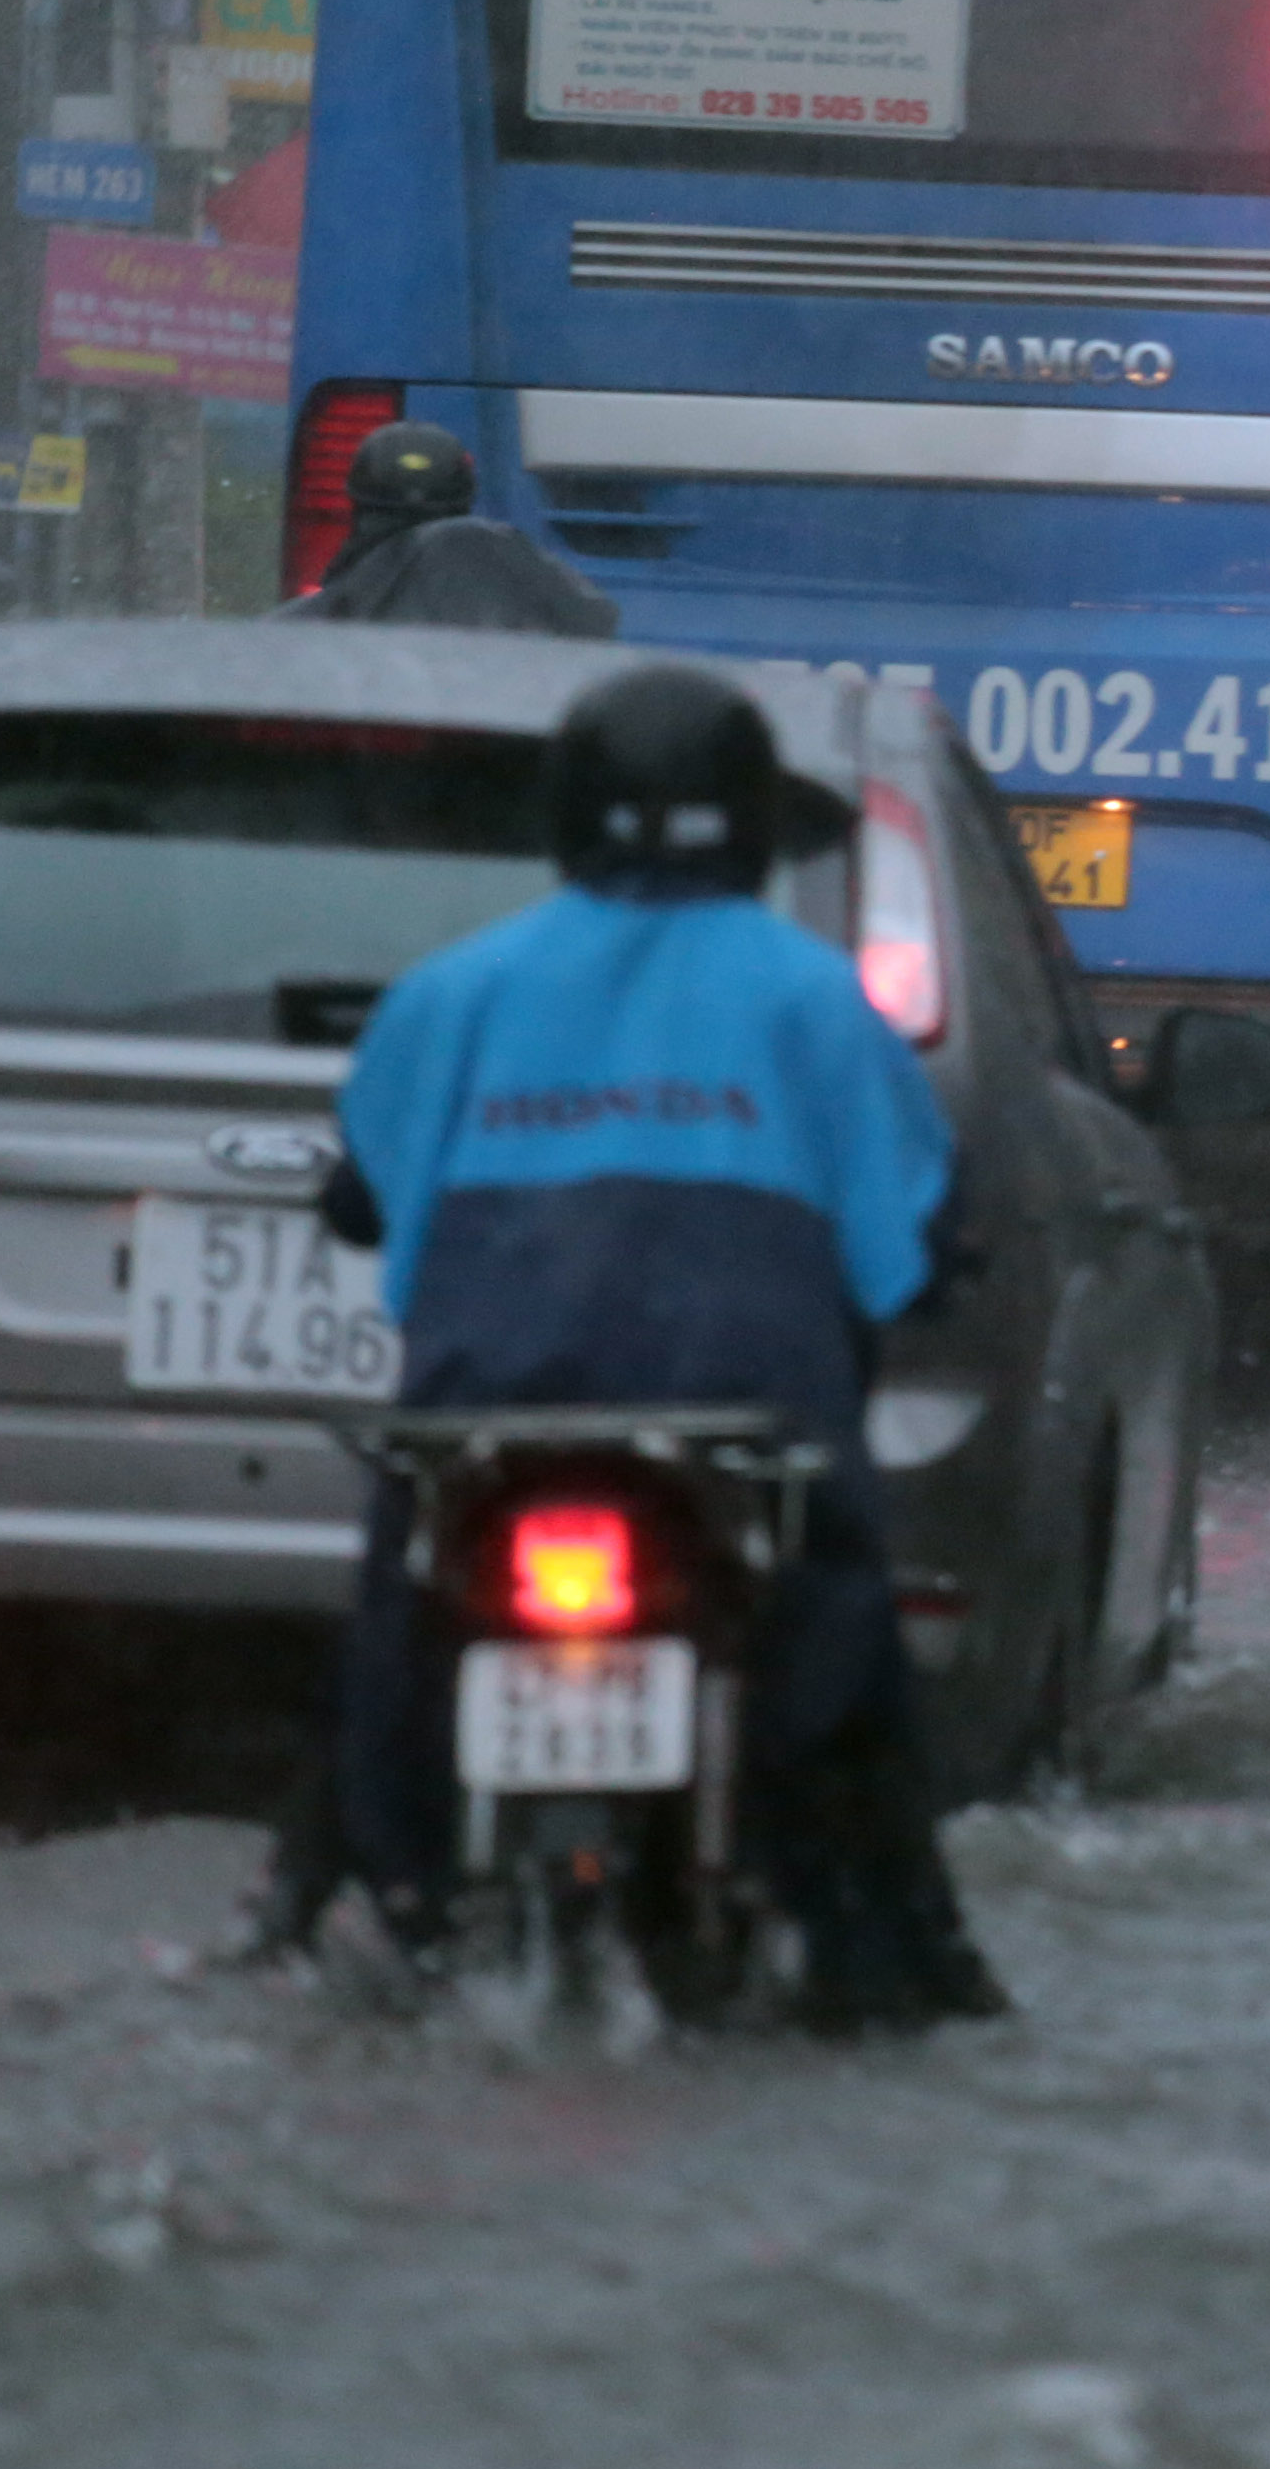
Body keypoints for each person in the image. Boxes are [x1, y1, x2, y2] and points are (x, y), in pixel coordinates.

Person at [320, 665, 1002, 2026]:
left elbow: (365, 1188)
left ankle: (338, 1905)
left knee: (389, 1649)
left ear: (568, 816)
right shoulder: (822, 1006)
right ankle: (889, 1971)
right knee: (847, 1680)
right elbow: (904, 1240)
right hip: (748, 1429)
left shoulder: (454, 992)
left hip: (485, 1425)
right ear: (750, 823)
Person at [283, 419, 619, 636]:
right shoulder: (516, 565)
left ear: (358, 500)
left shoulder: (312, 624)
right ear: (464, 494)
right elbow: (597, 620)